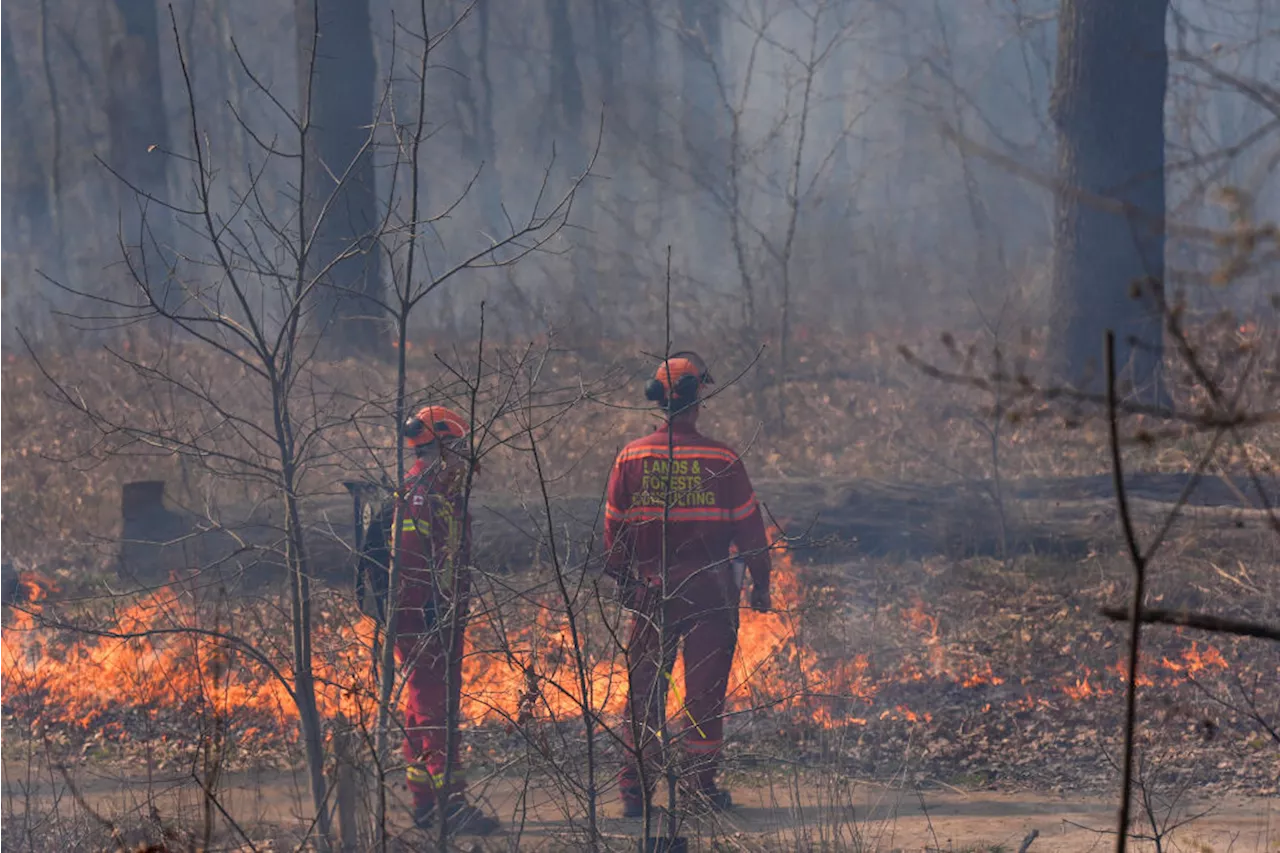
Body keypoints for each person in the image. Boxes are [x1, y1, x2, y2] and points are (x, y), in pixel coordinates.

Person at [604, 352, 773, 818]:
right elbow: (751, 533)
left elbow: (613, 533)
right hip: (712, 595)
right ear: (698, 398)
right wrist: (761, 585)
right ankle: (701, 788)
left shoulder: (632, 456)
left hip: (652, 593)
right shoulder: (722, 458)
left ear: (658, 399)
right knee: (703, 693)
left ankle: (635, 792)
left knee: (644, 692)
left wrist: (626, 582)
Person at [389, 404, 498, 835]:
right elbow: (412, 564)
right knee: (437, 709)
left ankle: (424, 803)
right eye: (459, 448)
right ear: (440, 448)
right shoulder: (420, 493)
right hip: (423, 619)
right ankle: (450, 804)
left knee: (422, 707)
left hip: (438, 616)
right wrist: (429, 614)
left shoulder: (440, 491)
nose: (466, 458)